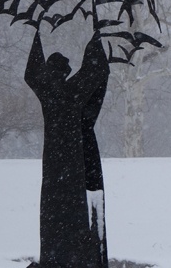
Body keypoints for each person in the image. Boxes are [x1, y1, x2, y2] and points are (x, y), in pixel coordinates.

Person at [25, 30, 110, 268]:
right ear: (62, 73)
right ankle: (70, 256)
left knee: (56, 213)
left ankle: (58, 256)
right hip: (73, 160)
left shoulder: (47, 91)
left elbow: (31, 73)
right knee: (70, 212)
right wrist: (95, 40)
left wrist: (37, 35)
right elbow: (95, 71)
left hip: (54, 163)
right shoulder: (71, 92)